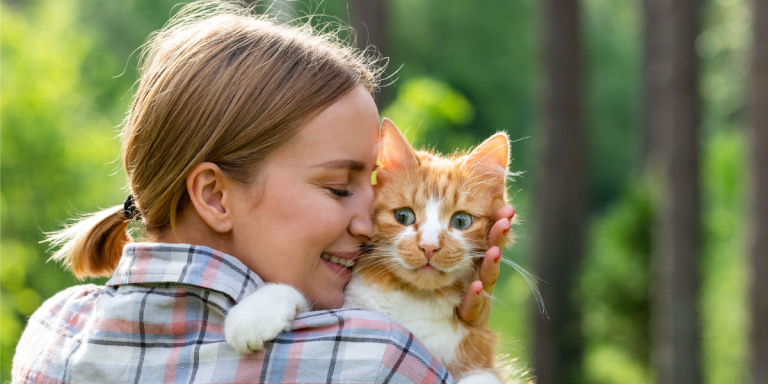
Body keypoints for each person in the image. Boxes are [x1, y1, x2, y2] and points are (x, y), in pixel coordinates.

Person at [12, 1, 514, 383]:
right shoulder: (376, 355)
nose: (368, 219)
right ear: (214, 196)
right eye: (340, 188)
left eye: (371, 187)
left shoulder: (54, 328)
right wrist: (444, 339)